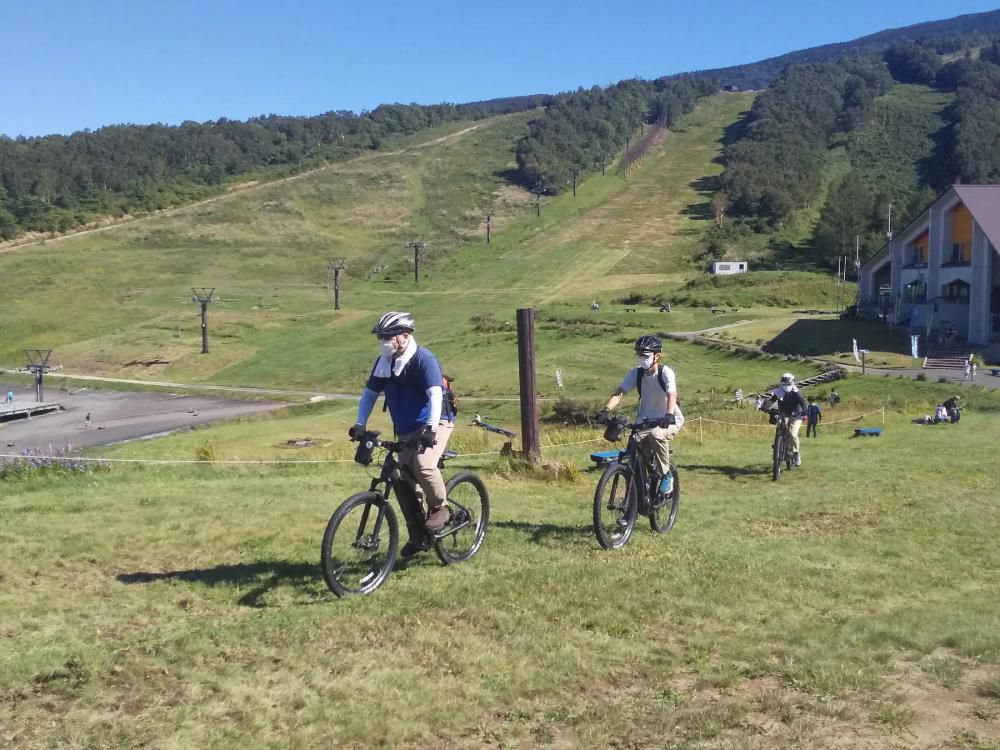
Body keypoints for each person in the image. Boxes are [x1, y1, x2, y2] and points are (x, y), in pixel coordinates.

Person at [349, 311, 456, 556]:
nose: (383, 341)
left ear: (405, 336)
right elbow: (370, 394)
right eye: (381, 336)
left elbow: (435, 395)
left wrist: (430, 430)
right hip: (406, 428)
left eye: (388, 336)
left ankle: (441, 507)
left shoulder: (422, 359)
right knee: (404, 480)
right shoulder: (383, 363)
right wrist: (360, 425)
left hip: (437, 420)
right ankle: (420, 534)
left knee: (423, 463)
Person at [597, 334, 684, 502]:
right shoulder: (636, 373)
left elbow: (672, 394)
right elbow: (619, 392)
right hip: (645, 421)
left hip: (669, 419)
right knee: (633, 449)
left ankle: (666, 476)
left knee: (657, 435)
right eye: (639, 355)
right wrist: (606, 410)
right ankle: (639, 492)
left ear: (657, 355)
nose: (641, 358)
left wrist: (668, 414)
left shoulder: (665, 372)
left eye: (645, 355)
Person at [761, 373, 808, 466]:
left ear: (792, 383)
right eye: (784, 384)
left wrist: (805, 411)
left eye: (788, 384)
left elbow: (803, 402)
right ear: (781, 384)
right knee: (779, 426)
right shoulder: (779, 392)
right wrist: (765, 406)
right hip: (783, 414)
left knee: (792, 434)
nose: (786, 387)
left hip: (796, 415)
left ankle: (796, 453)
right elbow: (772, 400)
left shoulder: (796, 392)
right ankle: (777, 443)